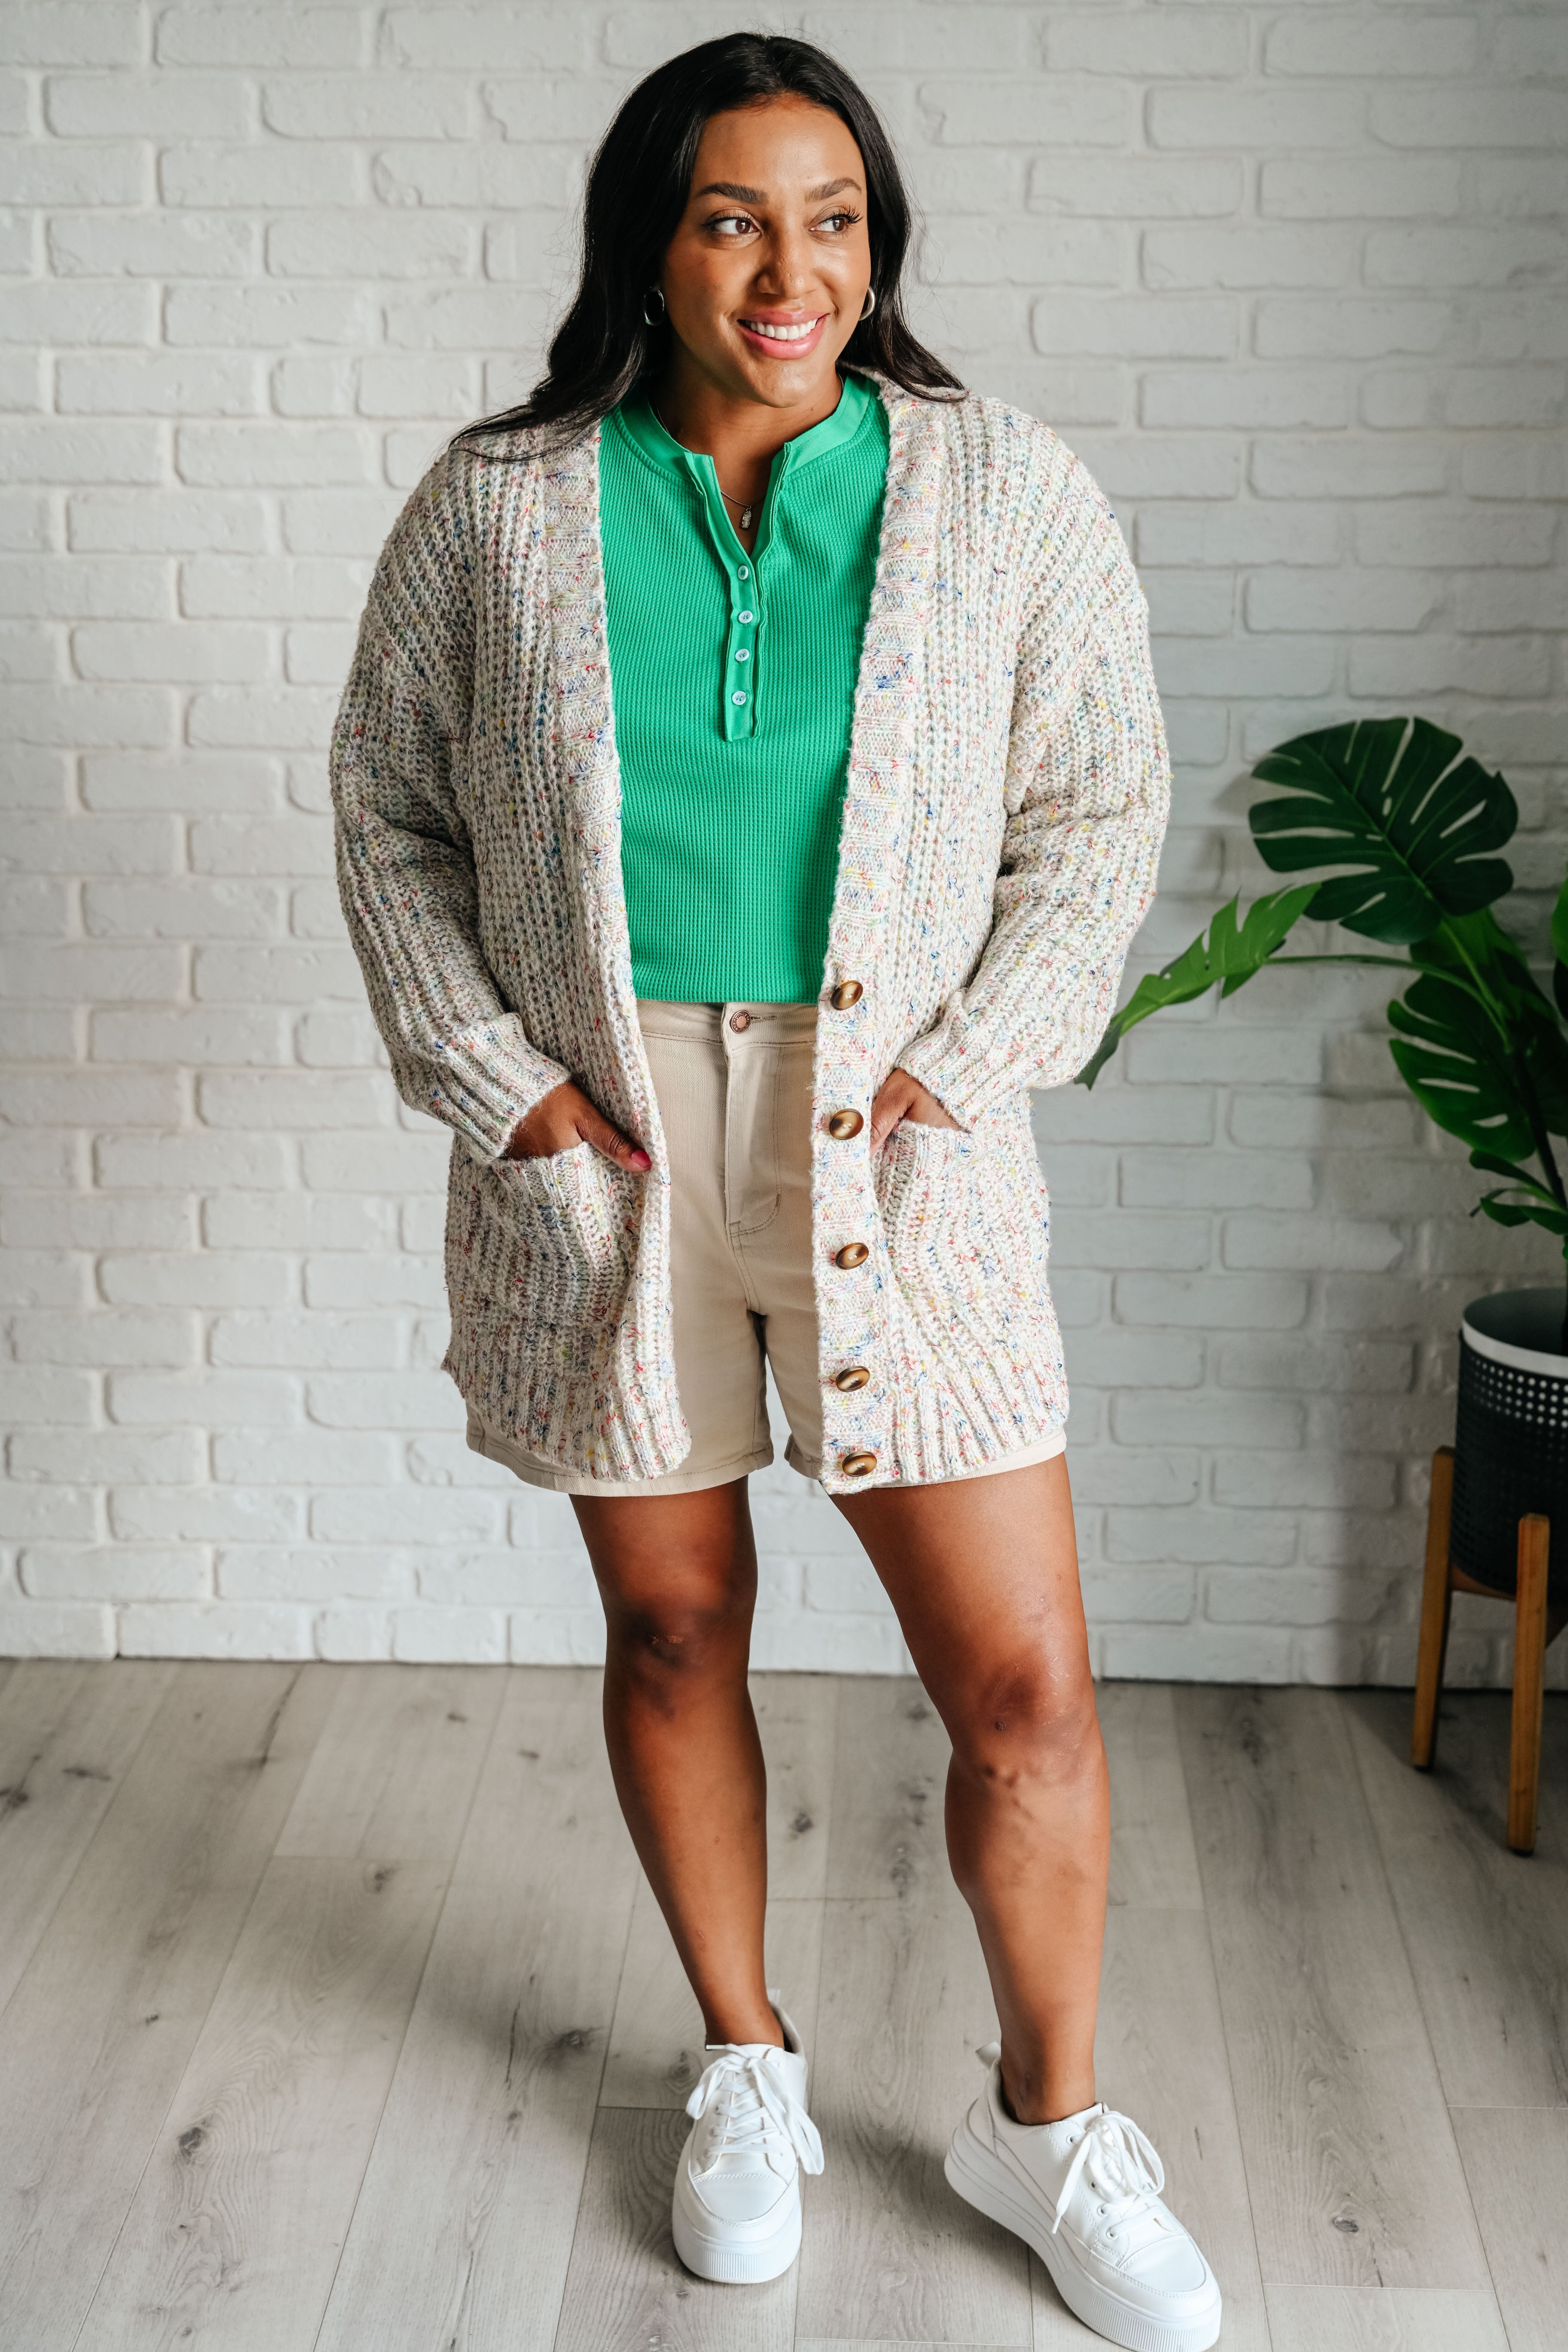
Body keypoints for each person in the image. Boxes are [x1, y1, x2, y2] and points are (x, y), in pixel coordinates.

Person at [331, 32, 1218, 2352]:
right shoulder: (501, 500)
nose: (788, 268)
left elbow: (1101, 805)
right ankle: (743, 2059)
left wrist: (963, 1062)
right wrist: (500, 1089)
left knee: (1020, 1685)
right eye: (733, 216)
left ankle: (1046, 2119)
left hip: (895, 1142)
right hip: (614, 1144)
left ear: (877, 243)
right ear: (652, 237)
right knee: (672, 1627)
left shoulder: (994, 489)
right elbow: (385, 808)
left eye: (832, 217)